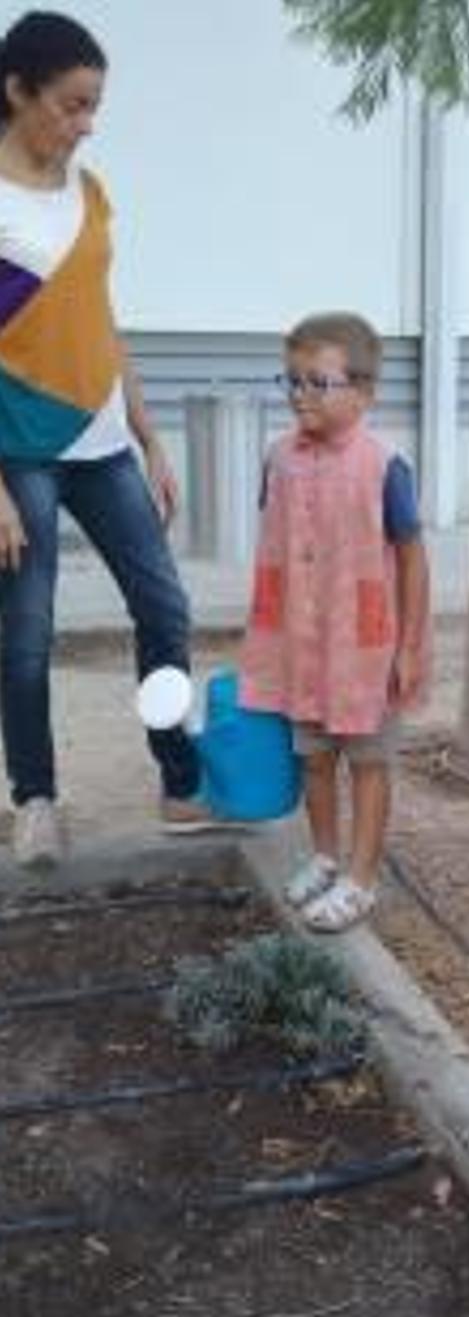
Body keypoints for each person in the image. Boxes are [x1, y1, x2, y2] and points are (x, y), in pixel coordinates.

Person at [0, 10, 210, 870]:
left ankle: (178, 775)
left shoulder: (87, 192)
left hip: (102, 437)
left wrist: (150, 435)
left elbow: (100, 318)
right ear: (17, 92)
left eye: (94, 106)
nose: (86, 123)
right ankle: (37, 801)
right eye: (73, 104)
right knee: (25, 633)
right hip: (16, 449)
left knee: (165, 607)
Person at [239, 311, 430, 933]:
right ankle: (324, 855)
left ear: (365, 392)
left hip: (364, 648)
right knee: (314, 757)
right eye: (292, 381)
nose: (300, 395)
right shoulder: (279, 460)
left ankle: (362, 878)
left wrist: (409, 646)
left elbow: (411, 555)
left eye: (318, 382)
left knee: (367, 761)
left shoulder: (383, 465)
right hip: (302, 644)